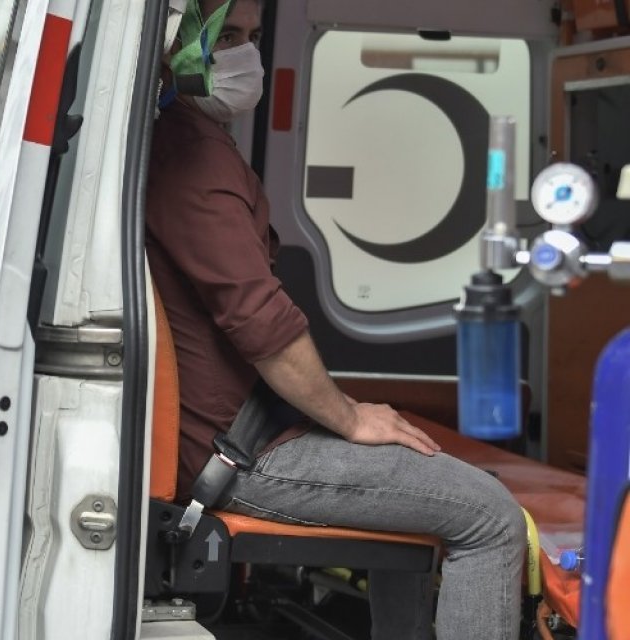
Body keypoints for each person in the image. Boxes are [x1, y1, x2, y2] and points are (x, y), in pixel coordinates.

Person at [146, 1, 527, 639]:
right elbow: (259, 320)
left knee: (426, 482)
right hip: (240, 454)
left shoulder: (192, 142)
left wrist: (351, 415)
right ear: (179, 47)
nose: (246, 55)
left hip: (247, 434)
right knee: (491, 516)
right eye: (227, 36)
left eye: (254, 37)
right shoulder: (193, 155)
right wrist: (349, 418)